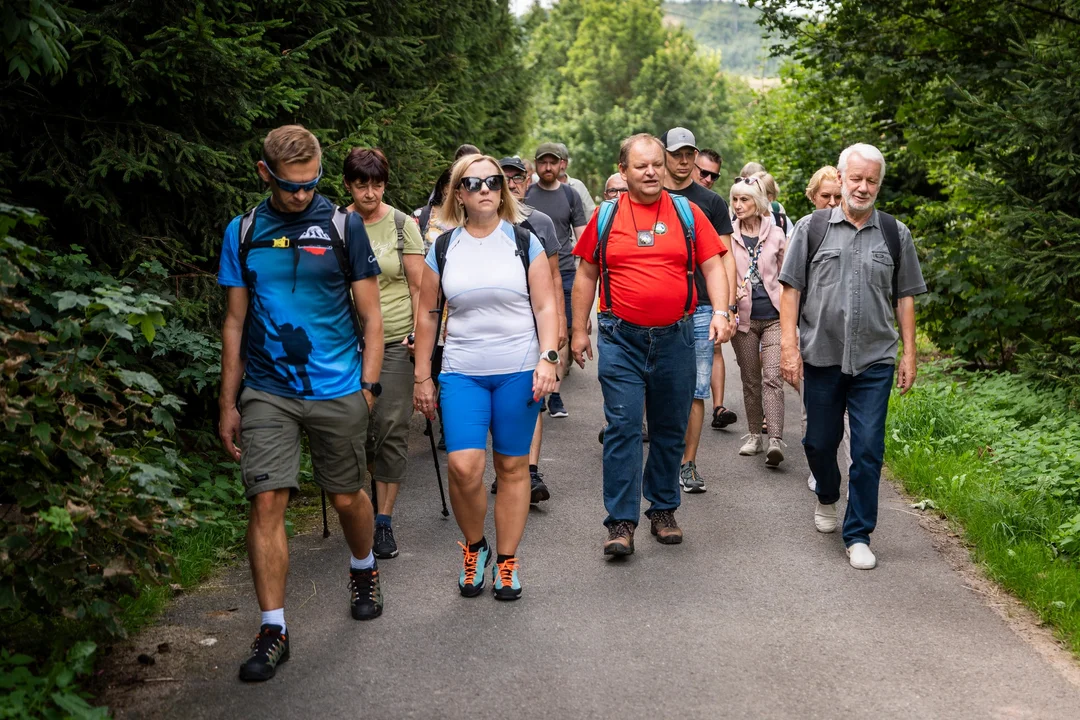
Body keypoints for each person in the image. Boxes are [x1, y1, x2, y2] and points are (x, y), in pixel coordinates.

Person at [217, 125, 384, 682]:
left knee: (345, 498)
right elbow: (235, 323)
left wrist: (369, 386)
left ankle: (363, 567)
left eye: (312, 184)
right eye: (292, 187)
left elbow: (372, 316)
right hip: (267, 390)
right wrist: (229, 403)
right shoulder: (243, 231)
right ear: (265, 174)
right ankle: (273, 628)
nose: (302, 195)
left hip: (338, 389)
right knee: (267, 502)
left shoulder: (344, 226)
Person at [571, 133, 733, 556]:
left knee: (668, 428)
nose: (651, 172)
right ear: (623, 171)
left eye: (656, 165)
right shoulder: (606, 217)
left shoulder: (687, 212)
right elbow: (586, 274)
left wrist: (721, 310)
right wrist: (578, 330)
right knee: (623, 428)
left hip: (675, 338)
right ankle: (620, 523)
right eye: (641, 166)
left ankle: (662, 509)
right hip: (620, 338)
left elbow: (713, 265)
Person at [412, 154, 559, 600]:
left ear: (503, 189)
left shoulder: (522, 241)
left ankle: (508, 562)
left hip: (518, 369)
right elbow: (427, 313)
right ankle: (475, 547)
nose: (484, 189)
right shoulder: (443, 247)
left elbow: (546, 306)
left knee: (512, 467)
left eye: (492, 181)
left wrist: (549, 358)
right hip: (462, 373)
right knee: (463, 467)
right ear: (458, 192)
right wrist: (422, 376)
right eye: (473, 183)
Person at [779, 143, 927, 570]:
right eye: (856, 178)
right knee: (818, 442)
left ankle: (858, 533)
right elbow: (791, 291)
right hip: (821, 357)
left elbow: (905, 298)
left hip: (874, 360)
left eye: (872, 181)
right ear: (840, 179)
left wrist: (910, 354)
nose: (863, 187)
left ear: (879, 184)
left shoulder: (896, 234)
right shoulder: (811, 228)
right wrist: (789, 347)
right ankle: (827, 493)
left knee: (867, 449)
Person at [343, 147, 425, 559]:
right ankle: (358, 508)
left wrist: (419, 334)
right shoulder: (336, 225)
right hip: (346, 346)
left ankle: (383, 521)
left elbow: (418, 286)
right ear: (348, 185)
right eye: (362, 185)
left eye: (377, 184)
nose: (370, 193)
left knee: (391, 427)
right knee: (357, 430)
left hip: (395, 342)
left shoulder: (400, 225)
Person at [660, 127, 737, 494]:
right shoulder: (648, 196)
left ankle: (687, 464)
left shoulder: (711, 202)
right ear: (664, 154)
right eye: (677, 152)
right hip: (659, 307)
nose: (684, 159)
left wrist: (730, 307)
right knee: (658, 387)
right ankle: (663, 457)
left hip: (703, 307)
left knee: (696, 388)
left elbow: (725, 257)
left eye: (689, 152)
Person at [496, 155, 565, 503]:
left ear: (527, 180)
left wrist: (562, 322)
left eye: (517, 177)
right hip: (496, 325)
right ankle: (507, 465)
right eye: (503, 177)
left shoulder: (541, 221)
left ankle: (531, 470)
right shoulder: (480, 222)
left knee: (532, 396)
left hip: (534, 320)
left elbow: (555, 277)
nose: (512, 183)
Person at [727, 176, 788, 467]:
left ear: (758, 202)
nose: (738, 205)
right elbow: (722, 272)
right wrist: (730, 295)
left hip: (775, 317)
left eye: (745, 199)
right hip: (744, 320)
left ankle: (775, 439)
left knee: (772, 378)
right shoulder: (728, 236)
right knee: (750, 380)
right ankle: (754, 436)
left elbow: (789, 278)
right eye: (735, 200)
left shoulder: (776, 234)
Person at [526, 142, 587, 419]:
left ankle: (557, 394)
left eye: (553, 162)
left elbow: (582, 234)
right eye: (543, 162)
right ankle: (538, 390)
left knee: (564, 332)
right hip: (530, 273)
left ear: (562, 164)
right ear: (537, 165)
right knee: (536, 331)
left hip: (564, 270)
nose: (548, 167)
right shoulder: (526, 195)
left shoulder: (570, 195)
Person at [802, 165, 845, 492]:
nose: (831, 202)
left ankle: (846, 469)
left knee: (847, 417)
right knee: (816, 413)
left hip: (852, 342)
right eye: (825, 196)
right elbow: (790, 288)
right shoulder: (807, 229)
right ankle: (820, 467)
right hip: (813, 336)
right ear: (813, 197)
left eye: (837, 196)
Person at [556, 142, 597, 217]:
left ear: (567, 163)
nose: (561, 165)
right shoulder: (541, 186)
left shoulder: (578, 186)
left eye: (564, 161)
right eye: (557, 161)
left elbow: (591, 213)